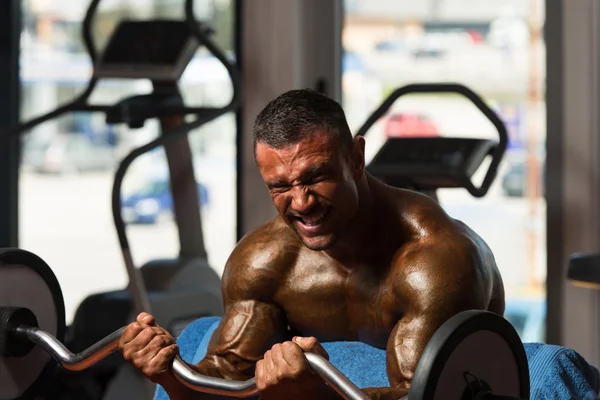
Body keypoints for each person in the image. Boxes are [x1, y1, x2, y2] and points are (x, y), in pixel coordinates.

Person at [118, 89, 504, 399]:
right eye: (281, 186)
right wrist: (169, 374)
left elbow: (421, 395)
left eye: (315, 177)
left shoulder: (439, 260)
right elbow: (225, 380)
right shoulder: (263, 262)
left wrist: (315, 394)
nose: (301, 203)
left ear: (356, 158)